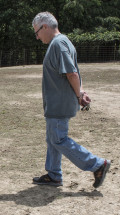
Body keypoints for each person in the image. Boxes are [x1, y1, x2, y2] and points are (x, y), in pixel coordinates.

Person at [31, 12, 111, 188]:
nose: (37, 37)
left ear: (44, 27)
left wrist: (79, 94)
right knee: (53, 139)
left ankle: (97, 165)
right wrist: (80, 92)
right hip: (56, 103)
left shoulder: (58, 44)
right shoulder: (61, 42)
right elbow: (73, 71)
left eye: (37, 32)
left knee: (58, 139)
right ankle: (53, 174)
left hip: (59, 104)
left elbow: (71, 73)